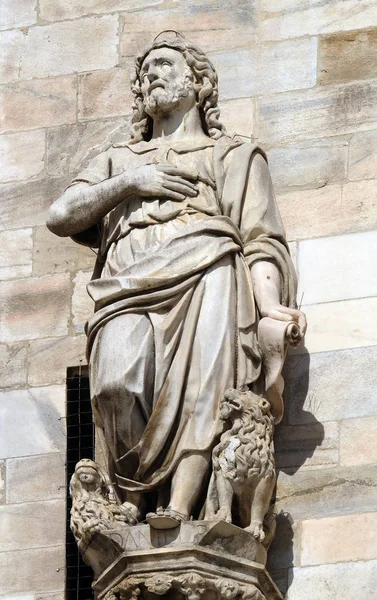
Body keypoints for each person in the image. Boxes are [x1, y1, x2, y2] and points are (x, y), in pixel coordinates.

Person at [47, 31, 306, 526]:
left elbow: (260, 239)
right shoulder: (118, 161)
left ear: (199, 81)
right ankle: (133, 496)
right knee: (114, 385)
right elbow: (60, 215)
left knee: (202, 391)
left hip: (210, 272)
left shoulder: (232, 154)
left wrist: (269, 306)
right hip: (126, 286)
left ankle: (181, 509)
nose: (151, 75)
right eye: (145, 72)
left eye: (164, 64)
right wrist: (131, 182)